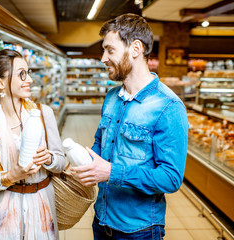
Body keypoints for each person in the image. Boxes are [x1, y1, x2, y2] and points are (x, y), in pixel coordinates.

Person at [71, 13, 189, 240]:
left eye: (110, 50)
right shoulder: (112, 97)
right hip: (102, 221)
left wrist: (110, 172)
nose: (103, 58)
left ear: (135, 49)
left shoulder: (168, 107)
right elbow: (100, 142)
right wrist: (82, 164)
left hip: (139, 231)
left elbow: (171, 178)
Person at [0, 49, 66, 240]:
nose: (30, 80)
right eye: (21, 74)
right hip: (2, 213)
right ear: (0, 83)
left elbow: (61, 162)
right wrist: (10, 176)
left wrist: (49, 159)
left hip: (42, 208)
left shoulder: (43, 113)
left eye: (29, 73)